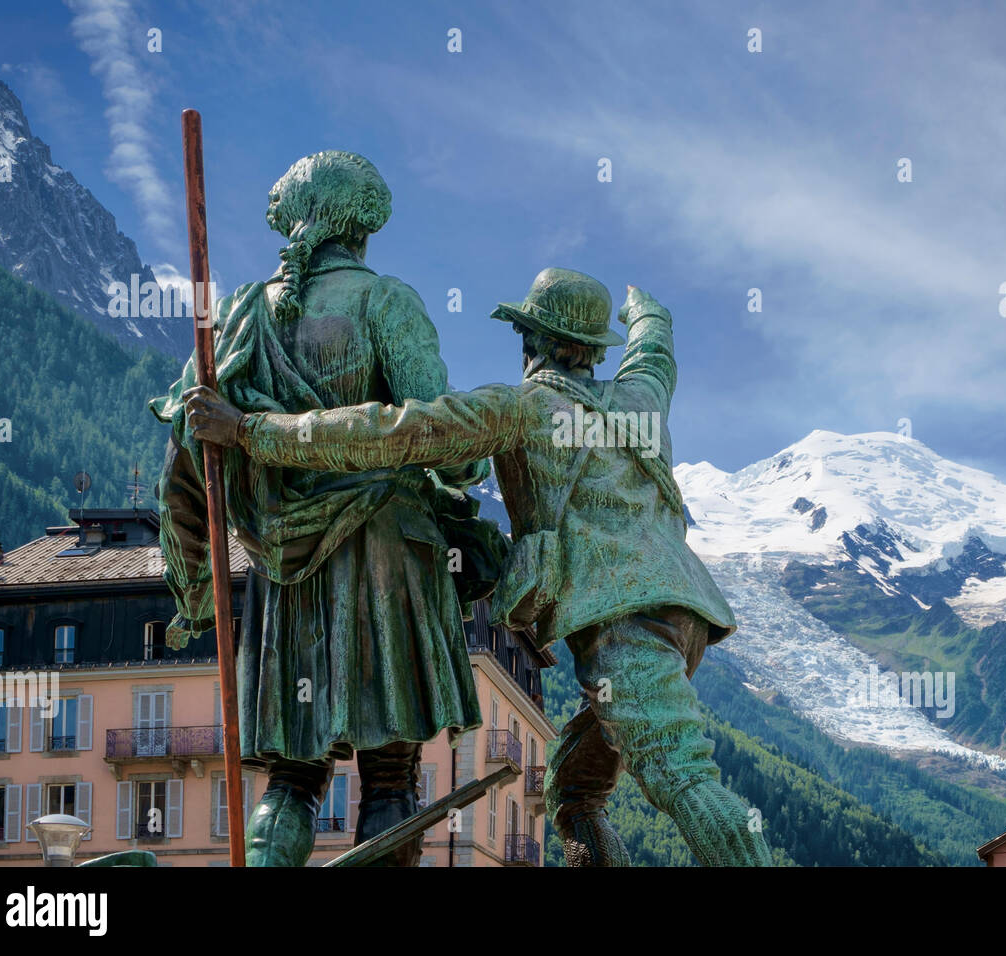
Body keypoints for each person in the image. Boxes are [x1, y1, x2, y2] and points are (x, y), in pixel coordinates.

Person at [183, 268, 773, 866]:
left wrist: (250, 431)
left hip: (625, 624)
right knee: (575, 791)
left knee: (683, 777)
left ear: (530, 341)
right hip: (686, 613)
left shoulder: (518, 408)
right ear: (595, 350)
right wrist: (643, 309)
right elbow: (655, 352)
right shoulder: (641, 400)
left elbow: (389, 433)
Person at [150, 151, 486, 866]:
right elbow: (444, 440)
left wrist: (195, 586)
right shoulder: (386, 301)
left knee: (293, 778)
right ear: (361, 230)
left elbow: (185, 458)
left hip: (285, 569)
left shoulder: (238, 315)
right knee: (390, 775)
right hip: (388, 553)